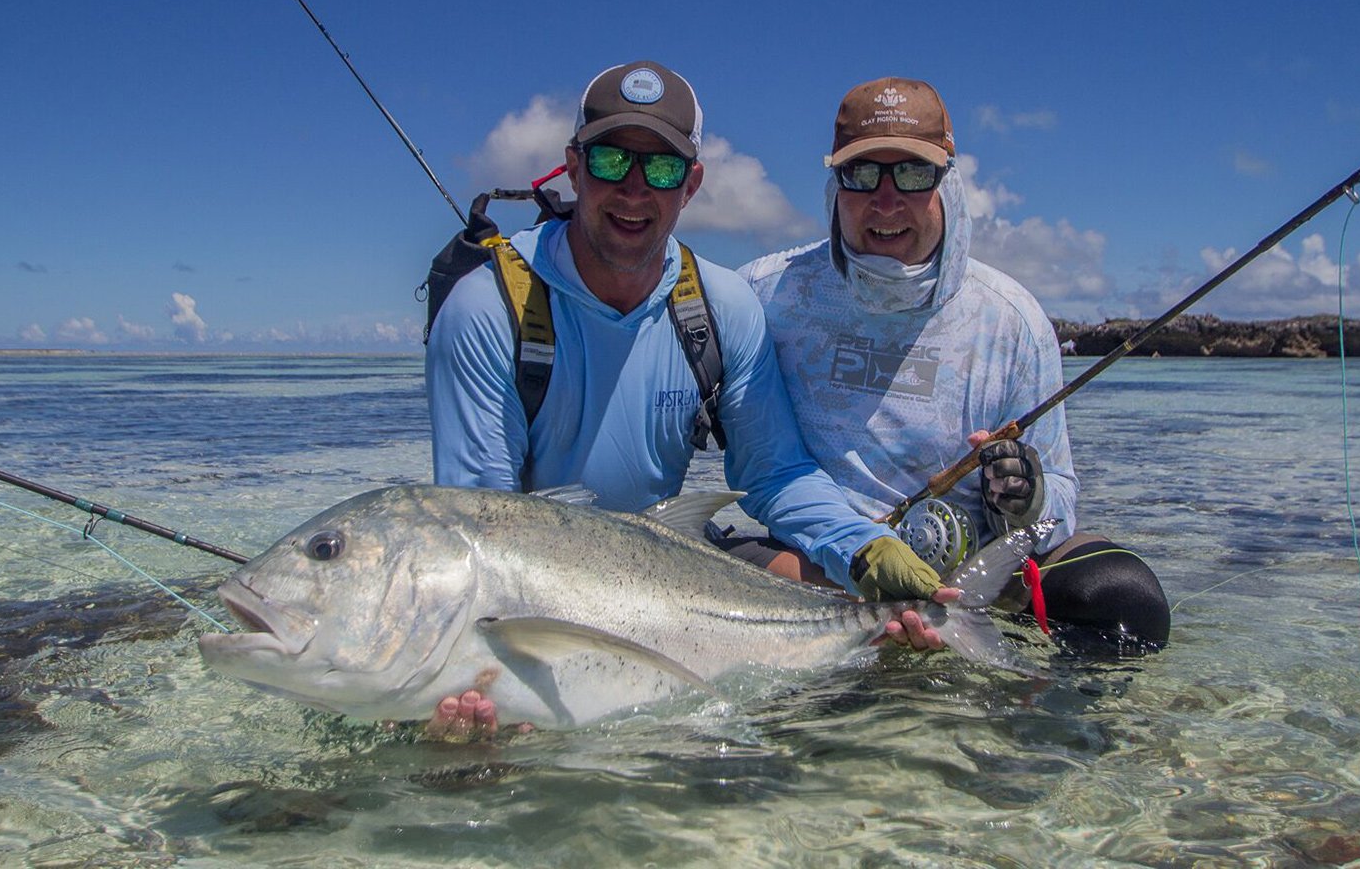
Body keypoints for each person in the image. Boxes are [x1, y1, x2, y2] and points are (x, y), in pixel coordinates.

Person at [425, 62, 955, 736]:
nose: (635, 189)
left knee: (839, 608)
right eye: (613, 159)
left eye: (664, 169)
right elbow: (483, 523)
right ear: (573, 167)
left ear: (693, 183)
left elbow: (774, 474)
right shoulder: (486, 309)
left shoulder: (719, 305)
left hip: (669, 561)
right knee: (467, 740)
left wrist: (863, 548)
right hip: (536, 593)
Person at [733, 77, 1170, 651]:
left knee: (1125, 598)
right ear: (833, 184)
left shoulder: (1013, 319)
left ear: (950, 184)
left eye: (913, 175)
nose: (885, 201)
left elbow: (1059, 507)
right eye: (862, 174)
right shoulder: (764, 295)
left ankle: (1039, 726)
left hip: (976, 574)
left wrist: (1028, 498)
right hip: (816, 565)